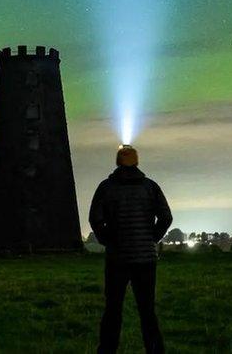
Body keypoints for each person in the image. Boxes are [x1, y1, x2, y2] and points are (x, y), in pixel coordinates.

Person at [89, 144, 173, 354]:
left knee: (112, 310)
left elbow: (95, 219)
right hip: (145, 259)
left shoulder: (106, 188)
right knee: (147, 311)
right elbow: (166, 217)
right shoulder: (150, 187)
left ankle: (107, 351)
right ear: (137, 161)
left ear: (118, 162)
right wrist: (150, 238)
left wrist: (108, 240)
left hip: (117, 258)